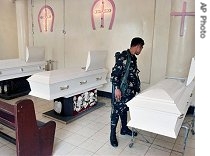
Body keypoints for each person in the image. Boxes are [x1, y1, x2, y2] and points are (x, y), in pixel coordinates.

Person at [110, 37, 144, 147]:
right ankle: (112, 135)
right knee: (116, 112)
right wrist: (117, 89)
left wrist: (136, 89)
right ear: (137, 46)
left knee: (124, 110)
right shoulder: (123, 56)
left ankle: (124, 129)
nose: (141, 50)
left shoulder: (133, 58)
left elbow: (133, 75)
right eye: (141, 48)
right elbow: (115, 74)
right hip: (121, 91)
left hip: (129, 92)